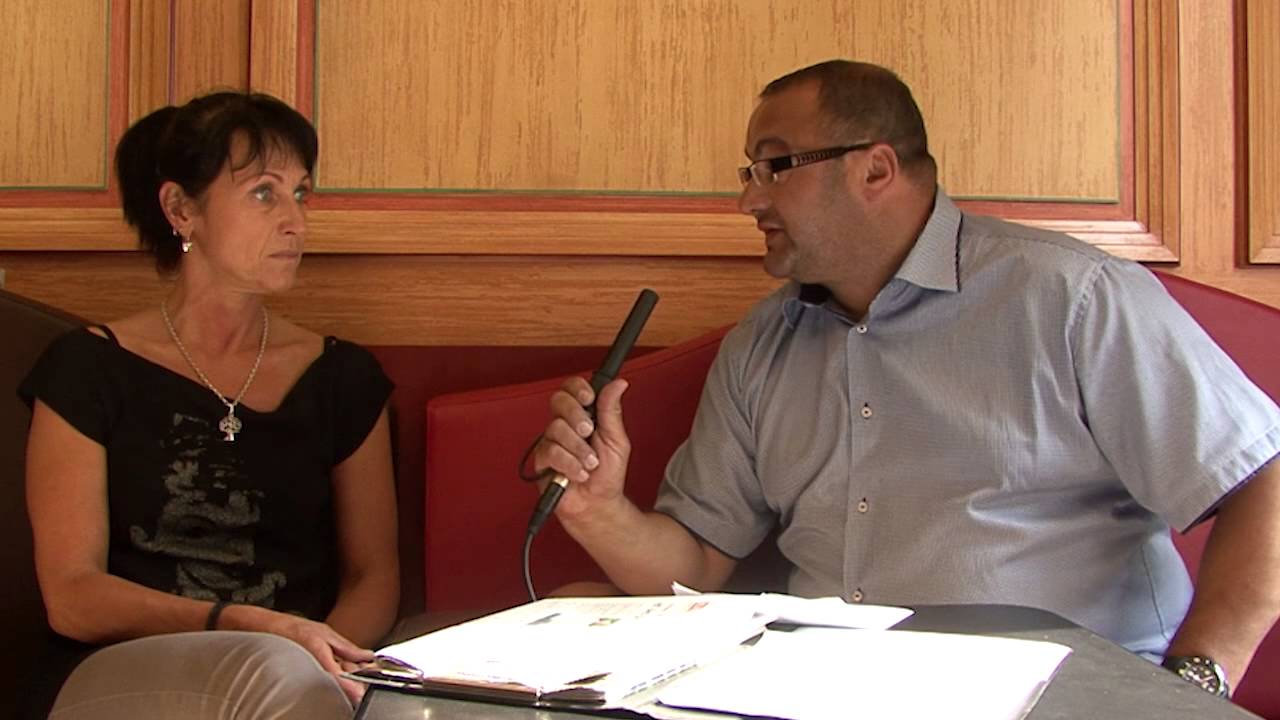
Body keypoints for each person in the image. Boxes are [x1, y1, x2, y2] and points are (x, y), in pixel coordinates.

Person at [534, 60, 1280, 698]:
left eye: (775, 166)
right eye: (750, 172)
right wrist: (599, 510)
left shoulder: (1072, 298)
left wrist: (1194, 690)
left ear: (875, 169)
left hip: (1061, 695)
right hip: (822, 694)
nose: (749, 199)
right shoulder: (763, 344)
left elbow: (1261, 483)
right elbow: (695, 566)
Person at [19, 91, 399, 719]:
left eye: (301, 194)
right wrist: (248, 625)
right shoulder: (87, 369)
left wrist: (326, 653)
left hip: (305, 674)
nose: (295, 222)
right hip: (118, 670)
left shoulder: (343, 378)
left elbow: (373, 577)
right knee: (270, 670)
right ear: (180, 209)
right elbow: (73, 596)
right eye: (263, 193)